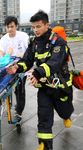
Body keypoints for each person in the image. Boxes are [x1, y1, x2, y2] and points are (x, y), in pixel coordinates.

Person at [6, 10, 74, 150]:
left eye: (38, 26)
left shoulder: (57, 41)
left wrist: (37, 72)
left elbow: (54, 63)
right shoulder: (34, 43)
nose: (35, 30)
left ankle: (66, 116)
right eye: (33, 27)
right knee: (43, 115)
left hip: (60, 85)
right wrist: (18, 68)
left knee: (64, 111)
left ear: (46, 25)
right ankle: (44, 145)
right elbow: (27, 60)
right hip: (44, 85)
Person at [0, 16, 29, 120]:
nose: (10, 29)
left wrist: (22, 55)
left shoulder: (23, 36)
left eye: (12, 26)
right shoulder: (3, 39)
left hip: (20, 66)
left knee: (20, 89)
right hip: (8, 66)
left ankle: (19, 111)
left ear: (16, 26)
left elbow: (29, 52)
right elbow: (1, 52)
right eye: (8, 27)